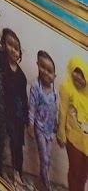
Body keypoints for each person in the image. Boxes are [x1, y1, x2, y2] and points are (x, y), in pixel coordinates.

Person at [0, 27, 29, 190]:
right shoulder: (0, 63)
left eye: (16, 48)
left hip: (16, 116)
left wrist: (26, 120)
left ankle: (18, 173)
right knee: (4, 142)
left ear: (20, 54)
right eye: (9, 44)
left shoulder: (21, 76)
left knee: (17, 145)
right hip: (3, 111)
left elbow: (23, 99)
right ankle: (2, 169)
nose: (13, 49)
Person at [29, 50, 59, 191]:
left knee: (48, 159)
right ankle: (47, 187)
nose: (46, 73)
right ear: (37, 65)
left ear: (54, 76)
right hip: (39, 128)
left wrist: (56, 125)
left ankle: (40, 183)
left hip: (49, 131)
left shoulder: (54, 93)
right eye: (43, 67)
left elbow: (54, 110)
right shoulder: (36, 87)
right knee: (44, 159)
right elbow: (32, 107)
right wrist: (30, 125)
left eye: (50, 71)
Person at [57, 57, 88, 191]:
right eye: (76, 72)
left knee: (83, 175)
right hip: (73, 139)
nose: (79, 77)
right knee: (75, 172)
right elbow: (62, 112)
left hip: (87, 142)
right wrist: (61, 135)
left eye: (82, 75)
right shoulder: (66, 87)